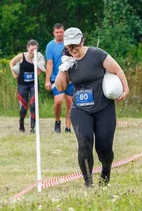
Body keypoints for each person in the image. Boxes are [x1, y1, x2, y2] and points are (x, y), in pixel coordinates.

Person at [54, 27, 129, 187]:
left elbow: (117, 70)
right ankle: (88, 183)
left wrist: (126, 89)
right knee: (84, 142)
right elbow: (60, 87)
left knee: (104, 149)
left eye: (75, 45)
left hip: (103, 108)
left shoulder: (97, 54)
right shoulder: (67, 60)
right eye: (69, 46)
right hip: (80, 109)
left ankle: (106, 170)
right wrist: (62, 68)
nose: (73, 49)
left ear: (82, 41)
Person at [9, 40, 44, 133]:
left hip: (33, 84)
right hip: (22, 84)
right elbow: (11, 62)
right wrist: (14, 74)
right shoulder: (22, 56)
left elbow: (40, 71)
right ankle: (21, 122)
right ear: (27, 48)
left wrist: (37, 70)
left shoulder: (39, 58)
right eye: (32, 50)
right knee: (24, 107)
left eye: (35, 50)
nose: (33, 52)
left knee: (33, 105)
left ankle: (33, 127)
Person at [45, 23, 74, 133]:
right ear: (54, 33)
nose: (59, 34)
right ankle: (57, 121)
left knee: (70, 102)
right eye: (57, 32)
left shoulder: (69, 44)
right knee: (58, 101)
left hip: (70, 78)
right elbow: (49, 63)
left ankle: (68, 126)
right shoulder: (50, 46)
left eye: (61, 32)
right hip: (56, 78)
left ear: (64, 32)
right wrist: (47, 80)